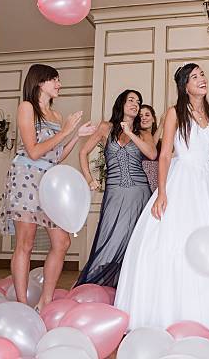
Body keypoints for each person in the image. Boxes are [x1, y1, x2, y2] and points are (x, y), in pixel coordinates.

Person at [115, 64, 209, 341]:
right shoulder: (174, 114)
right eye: (195, 77)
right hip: (180, 181)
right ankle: (172, 317)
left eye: (203, 74)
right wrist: (163, 192)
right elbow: (165, 154)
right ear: (184, 86)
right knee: (171, 245)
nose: (202, 79)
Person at [0, 64, 94, 311]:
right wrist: (67, 131)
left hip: (49, 181)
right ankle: (20, 304)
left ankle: (45, 300)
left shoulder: (57, 117)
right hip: (26, 177)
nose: (59, 84)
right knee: (25, 244)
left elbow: (55, 156)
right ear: (40, 82)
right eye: (54, 80)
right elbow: (35, 151)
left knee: (62, 242)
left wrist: (75, 135)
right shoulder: (27, 107)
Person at [76, 90, 157, 287]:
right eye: (131, 100)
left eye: (138, 102)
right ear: (121, 102)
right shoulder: (106, 127)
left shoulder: (143, 133)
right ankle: (101, 284)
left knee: (135, 239)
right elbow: (83, 152)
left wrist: (130, 133)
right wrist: (89, 179)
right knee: (110, 237)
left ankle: (130, 286)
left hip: (139, 192)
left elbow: (152, 154)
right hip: (114, 193)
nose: (135, 104)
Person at [139, 104, 163, 193]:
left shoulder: (160, 142)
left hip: (158, 183)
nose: (144, 118)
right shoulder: (136, 137)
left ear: (153, 119)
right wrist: (161, 124)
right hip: (142, 183)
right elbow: (150, 150)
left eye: (147, 115)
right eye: (140, 116)